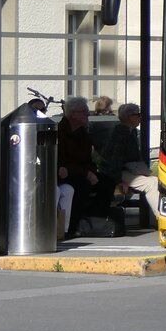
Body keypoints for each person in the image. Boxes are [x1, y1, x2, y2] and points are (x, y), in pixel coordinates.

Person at [57, 95, 115, 237]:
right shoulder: (60, 132)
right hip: (66, 174)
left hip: (81, 172)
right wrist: (86, 173)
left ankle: (94, 219)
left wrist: (91, 172)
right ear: (72, 114)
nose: (87, 114)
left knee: (108, 183)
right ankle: (72, 226)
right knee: (81, 186)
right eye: (83, 111)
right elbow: (62, 162)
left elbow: (88, 159)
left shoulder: (84, 133)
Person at [99, 103, 159, 216]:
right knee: (151, 183)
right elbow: (115, 159)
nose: (140, 117)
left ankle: (161, 214)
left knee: (155, 181)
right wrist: (119, 181)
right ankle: (160, 217)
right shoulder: (121, 133)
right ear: (129, 117)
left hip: (127, 170)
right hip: (116, 172)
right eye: (138, 114)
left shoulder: (132, 132)